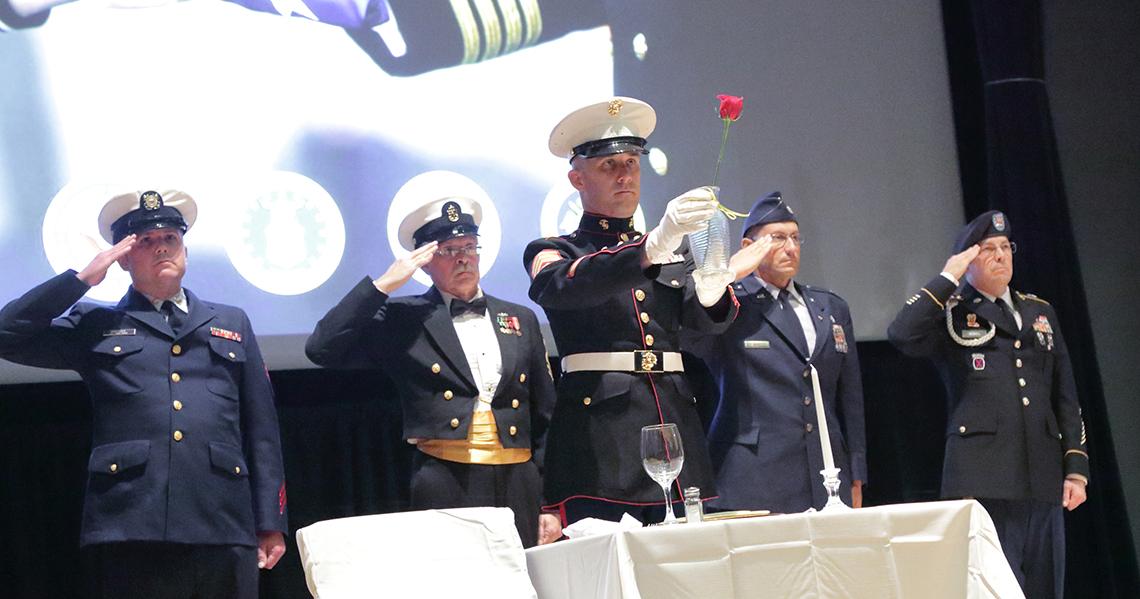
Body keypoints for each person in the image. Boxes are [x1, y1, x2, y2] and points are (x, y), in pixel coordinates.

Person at [0, 190, 287, 599]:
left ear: (184, 248)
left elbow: (262, 429)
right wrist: (81, 280)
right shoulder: (96, 323)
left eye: (170, 238)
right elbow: (7, 334)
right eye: (145, 243)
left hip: (224, 520)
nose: (161, 248)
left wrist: (270, 518)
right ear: (123, 259)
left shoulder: (230, 321)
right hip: (132, 521)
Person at [523, 97, 739, 525]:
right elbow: (560, 286)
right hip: (602, 437)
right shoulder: (556, 251)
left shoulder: (666, 247)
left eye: (632, 163)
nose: (625, 175)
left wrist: (713, 291)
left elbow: (703, 322)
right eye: (609, 166)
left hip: (674, 422)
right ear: (577, 178)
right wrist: (651, 247)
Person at [306, 196, 560, 547]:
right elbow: (322, 348)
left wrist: (551, 503)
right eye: (448, 250)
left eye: (470, 246)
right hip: (447, 477)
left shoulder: (520, 317)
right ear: (424, 263)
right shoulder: (404, 320)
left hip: (520, 478)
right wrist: (382, 286)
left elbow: (546, 413)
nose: (463, 257)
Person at [888, 210, 1089, 599]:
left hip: (1044, 476)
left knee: (1048, 587)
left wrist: (1076, 467)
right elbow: (901, 333)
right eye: (987, 250)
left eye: (1005, 247)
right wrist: (948, 277)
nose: (1001, 256)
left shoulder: (1039, 311)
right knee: (994, 589)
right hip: (983, 480)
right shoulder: (953, 311)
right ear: (967, 260)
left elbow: (1064, 392)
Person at [687, 191, 866, 513]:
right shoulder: (731, 304)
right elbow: (690, 332)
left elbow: (849, 397)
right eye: (778, 238)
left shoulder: (830, 306)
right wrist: (726, 276)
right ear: (748, 248)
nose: (791, 248)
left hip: (825, 471)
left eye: (796, 238)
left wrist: (856, 472)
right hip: (753, 474)